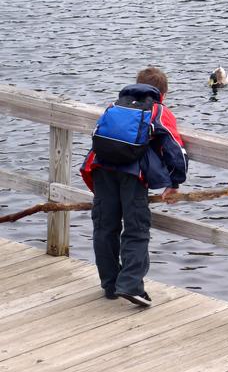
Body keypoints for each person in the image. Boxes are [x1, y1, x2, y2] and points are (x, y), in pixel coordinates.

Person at [80, 67, 188, 307]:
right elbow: (174, 148)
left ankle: (110, 284)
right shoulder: (158, 110)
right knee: (136, 229)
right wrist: (175, 182)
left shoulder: (115, 106)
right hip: (133, 176)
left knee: (104, 227)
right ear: (164, 93)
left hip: (101, 171)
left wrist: (90, 181)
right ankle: (130, 285)